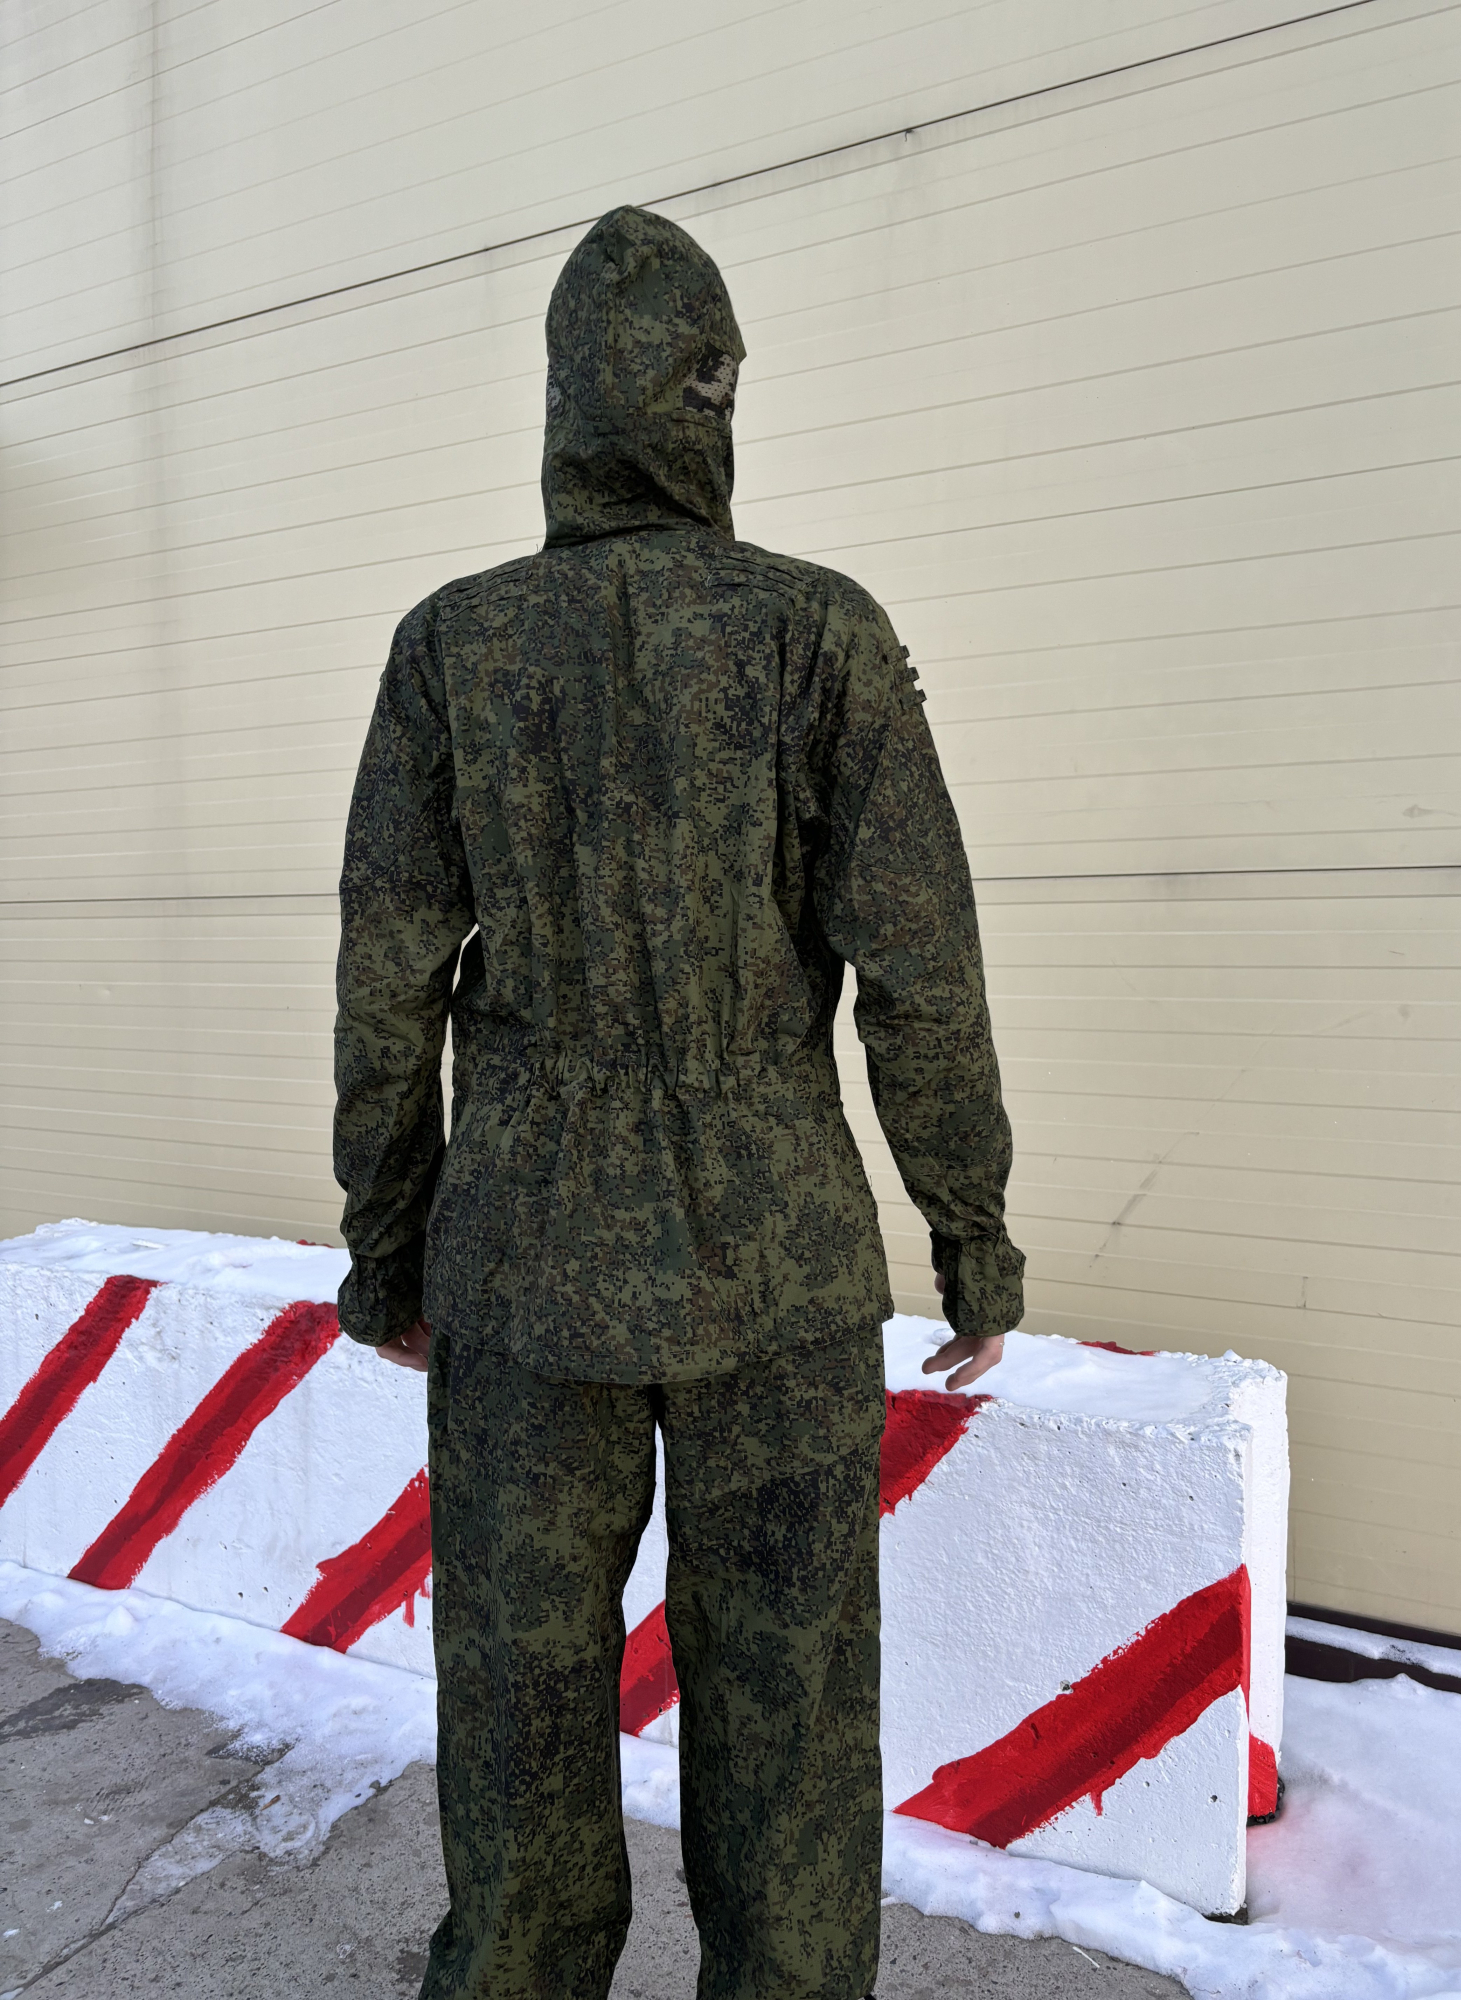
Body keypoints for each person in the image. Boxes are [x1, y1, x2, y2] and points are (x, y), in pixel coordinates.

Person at [332, 204, 1023, 2000]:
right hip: (778, 1277)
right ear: (712, 396)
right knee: (793, 1716)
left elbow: (387, 979)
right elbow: (924, 966)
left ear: (564, 401)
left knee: (518, 1707)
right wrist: (968, 1231)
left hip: (522, 1269)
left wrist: (385, 1245)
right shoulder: (822, 636)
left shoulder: (454, 647)